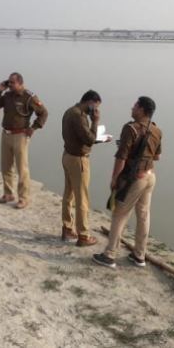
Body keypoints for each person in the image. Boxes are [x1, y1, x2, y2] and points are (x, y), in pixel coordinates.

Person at [93, 96, 162, 269]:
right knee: (143, 215)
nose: (132, 108)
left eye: (135, 105)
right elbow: (157, 156)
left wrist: (115, 179)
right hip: (150, 176)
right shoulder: (156, 130)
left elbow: (121, 157)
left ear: (142, 109)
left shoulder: (131, 128)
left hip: (135, 178)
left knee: (120, 214)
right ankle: (139, 255)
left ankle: (109, 255)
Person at [0, 72, 48, 209]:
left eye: (12, 82)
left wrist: (34, 128)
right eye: (9, 82)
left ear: (20, 83)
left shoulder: (29, 97)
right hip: (6, 134)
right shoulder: (8, 95)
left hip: (20, 135)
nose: (9, 84)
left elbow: (43, 113)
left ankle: (23, 198)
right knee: (6, 166)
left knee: (22, 169)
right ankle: (8, 194)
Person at [61, 90, 107, 247]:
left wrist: (95, 137)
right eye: (96, 106)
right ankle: (83, 236)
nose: (96, 110)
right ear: (90, 102)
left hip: (68, 155)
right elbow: (89, 139)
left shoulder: (69, 111)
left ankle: (67, 228)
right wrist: (95, 121)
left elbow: (79, 137)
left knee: (69, 194)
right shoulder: (79, 116)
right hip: (78, 160)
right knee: (82, 198)